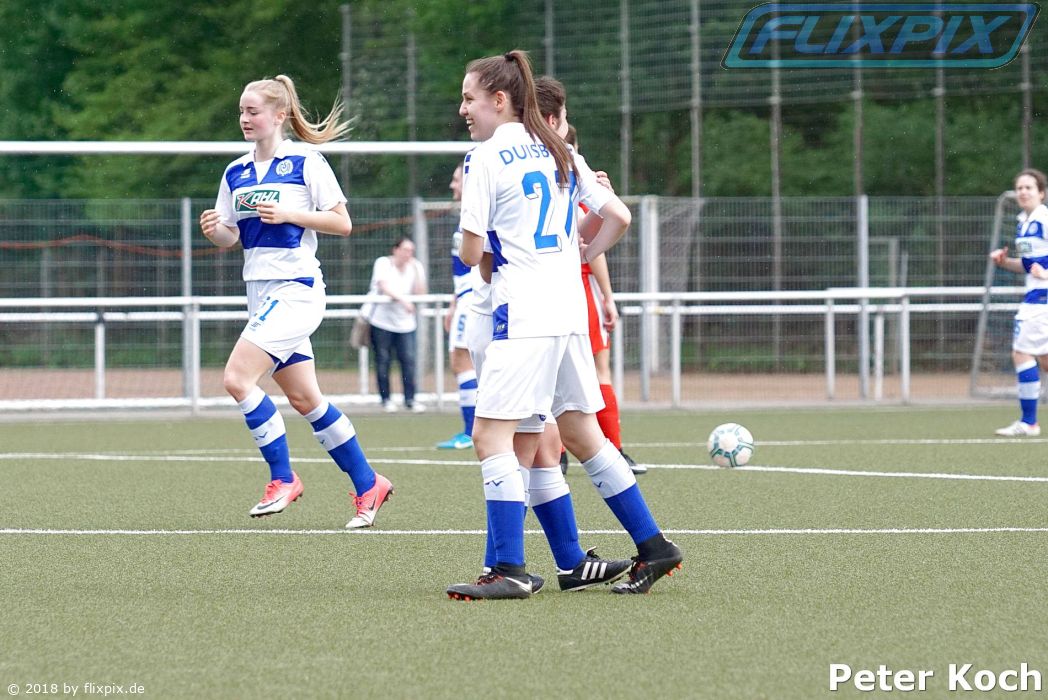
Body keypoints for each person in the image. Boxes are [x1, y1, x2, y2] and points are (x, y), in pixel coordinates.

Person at [446, 51, 682, 600]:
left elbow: (472, 252)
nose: (463, 109)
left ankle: (509, 568)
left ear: (499, 100)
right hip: (569, 311)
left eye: (469, 98)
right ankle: (653, 546)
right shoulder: (560, 148)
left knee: (490, 436)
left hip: (522, 312)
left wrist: (480, 252)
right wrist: (583, 252)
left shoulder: (484, 157)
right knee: (581, 433)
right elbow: (618, 215)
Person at [198, 74, 393, 528]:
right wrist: (215, 231)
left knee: (237, 379)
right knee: (307, 400)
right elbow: (231, 237)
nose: (245, 118)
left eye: (253, 111)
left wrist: (290, 213)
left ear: (279, 115)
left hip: (296, 290)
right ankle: (369, 483)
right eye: (241, 111)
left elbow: (342, 223)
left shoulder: (305, 161)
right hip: (260, 293)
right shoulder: (235, 171)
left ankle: (283, 478)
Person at [534, 78, 644, 476]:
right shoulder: (568, 169)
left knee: (527, 407)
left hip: (530, 295)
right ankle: (609, 452)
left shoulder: (509, 167)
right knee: (588, 382)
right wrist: (603, 287)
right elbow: (608, 223)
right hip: (570, 291)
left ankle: (561, 455)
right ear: (554, 122)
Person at [990, 168, 1048, 437]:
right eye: (1020, 188)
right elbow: (1028, 266)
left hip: (1041, 299)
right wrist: (1004, 262)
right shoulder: (1023, 222)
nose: (1023, 192)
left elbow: (1041, 270)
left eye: (1029, 187)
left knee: (1021, 353)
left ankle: (1029, 422)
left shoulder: (1044, 219)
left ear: (1041, 193)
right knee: (1044, 359)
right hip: (1037, 296)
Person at [436, 164, 479, 449]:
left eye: (456, 180)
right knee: (464, 361)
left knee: (463, 361)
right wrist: (455, 301)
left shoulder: (475, 213)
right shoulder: (466, 214)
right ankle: (473, 429)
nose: (453, 185)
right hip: (465, 297)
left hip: (474, 297)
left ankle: (471, 431)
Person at [367, 237, 427, 413]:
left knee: (408, 360)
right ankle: (386, 399)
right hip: (381, 322)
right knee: (383, 360)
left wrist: (417, 271)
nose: (409, 254)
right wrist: (403, 301)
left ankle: (410, 399)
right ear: (396, 250)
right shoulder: (383, 263)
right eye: (405, 250)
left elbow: (420, 293)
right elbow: (383, 286)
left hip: (405, 324)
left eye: (411, 251)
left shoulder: (415, 266)